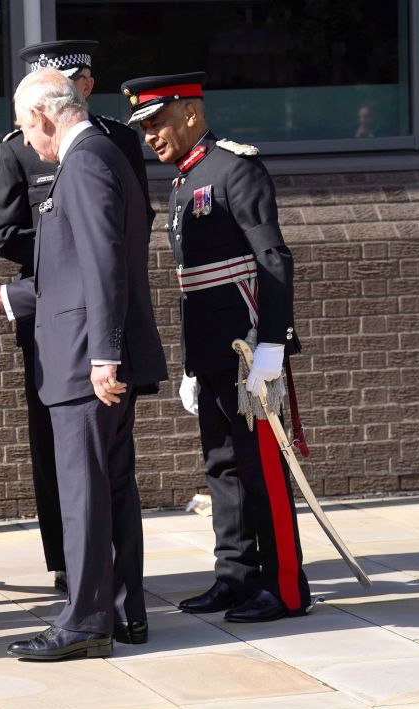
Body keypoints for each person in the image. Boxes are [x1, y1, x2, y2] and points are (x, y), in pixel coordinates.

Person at [0, 68, 168, 660]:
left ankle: (84, 620)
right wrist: (7, 296)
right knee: (112, 486)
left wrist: (103, 352)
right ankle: (125, 612)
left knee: (84, 492)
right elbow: (73, 270)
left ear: (44, 119)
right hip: (93, 347)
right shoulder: (103, 155)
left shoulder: (82, 162)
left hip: (87, 358)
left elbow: (105, 263)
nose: (26, 144)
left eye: (25, 130)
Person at [121, 72, 310, 622]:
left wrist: (273, 344)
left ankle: (284, 587)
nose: (151, 136)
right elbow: (195, 285)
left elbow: (272, 259)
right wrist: (190, 366)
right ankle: (236, 576)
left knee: (263, 469)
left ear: (190, 114)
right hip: (211, 354)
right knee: (222, 466)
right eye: (144, 127)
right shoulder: (183, 182)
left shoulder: (235, 167)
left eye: (157, 122)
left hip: (250, 349)